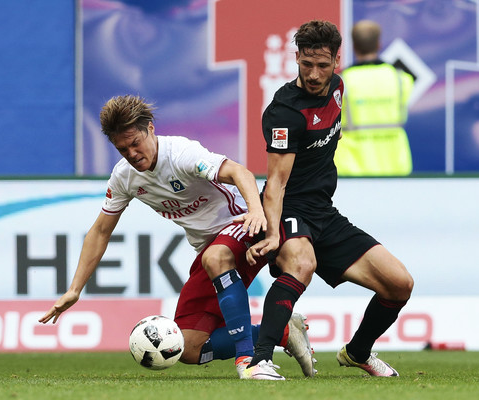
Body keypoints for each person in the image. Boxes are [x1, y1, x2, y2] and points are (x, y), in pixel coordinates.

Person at [38, 95, 315, 379]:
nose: (132, 154)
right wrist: (74, 289)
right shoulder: (124, 177)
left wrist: (257, 212)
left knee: (216, 255)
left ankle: (249, 361)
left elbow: (238, 171)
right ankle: (282, 331)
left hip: (243, 224)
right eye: (123, 149)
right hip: (211, 249)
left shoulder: (181, 154)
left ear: (151, 129)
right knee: (187, 346)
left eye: (136, 143)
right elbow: (100, 231)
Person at [244, 20, 414, 380]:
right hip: (289, 208)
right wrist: (273, 234)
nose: (315, 74)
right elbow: (275, 183)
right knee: (301, 265)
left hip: (324, 212)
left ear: (338, 59)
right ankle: (258, 362)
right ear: (297, 58)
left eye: (323, 65)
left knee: (399, 284)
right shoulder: (285, 111)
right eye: (307, 64)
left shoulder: (339, 87)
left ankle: (357, 352)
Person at [334, 19, 414, 176]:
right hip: (395, 165)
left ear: (354, 46)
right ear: (379, 44)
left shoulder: (340, 82)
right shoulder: (401, 79)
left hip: (352, 167)